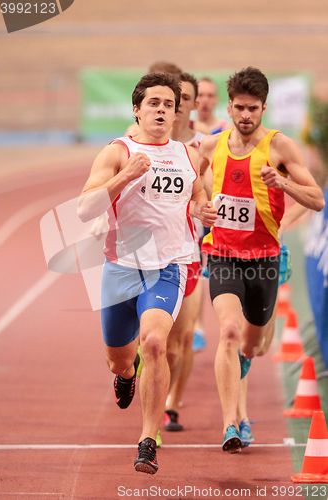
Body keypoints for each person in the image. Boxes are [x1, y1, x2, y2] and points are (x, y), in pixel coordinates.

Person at [78, 72, 216, 473]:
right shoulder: (116, 152)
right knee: (120, 359)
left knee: (155, 343)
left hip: (168, 267)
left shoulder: (189, 156)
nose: (160, 110)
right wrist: (125, 177)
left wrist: (200, 209)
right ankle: (124, 375)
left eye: (168, 105)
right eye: (152, 103)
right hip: (122, 269)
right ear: (136, 110)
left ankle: (147, 440)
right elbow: (84, 209)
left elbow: (196, 196)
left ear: (176, 113)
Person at [199, 66, 325, 453]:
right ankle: (231, 424)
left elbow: (318, 199)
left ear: (264, 108)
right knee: (229, 333)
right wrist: (200, 209)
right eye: (239, 107)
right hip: (222, 255)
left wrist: (282, 183)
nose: (245, 115)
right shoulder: (210, 146)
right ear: (231, 106)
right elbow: (192, 188)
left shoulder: (280, 147)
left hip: (264, 259)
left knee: (253, 347)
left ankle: (245, 365)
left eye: (253, 108)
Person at [164, 72, 206, 431]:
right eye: (171, 98)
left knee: (180, 343)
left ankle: (173, 402)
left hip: (190, 256)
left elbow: (210, 196)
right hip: (144, 256)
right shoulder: (138, 144)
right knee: (150, 341)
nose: (176, 105)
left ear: (191, 105)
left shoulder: (203, 148)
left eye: (184, 98)